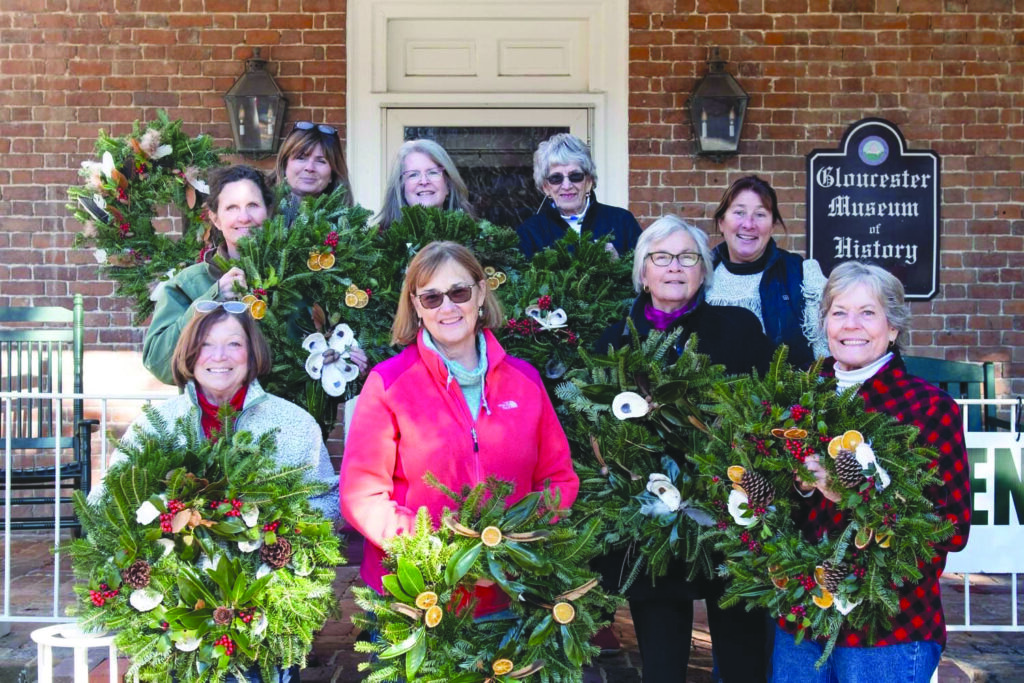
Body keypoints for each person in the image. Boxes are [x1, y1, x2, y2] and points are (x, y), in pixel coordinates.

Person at [339, 241, 578, 615]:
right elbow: (363, 496)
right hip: (414, 594)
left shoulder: (525, 381)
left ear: (481, 292)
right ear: (416, 306)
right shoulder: (388, 383)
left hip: (510, 591)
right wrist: (438, 553)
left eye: (459, 292)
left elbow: (557, 479)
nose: (447, 307)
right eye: (431, 298)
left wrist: (518, 544)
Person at [594, 216, 773, 683]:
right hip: (651, 520)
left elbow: (764, 410)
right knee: (662, 664)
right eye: (661, 257)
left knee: (743, 660)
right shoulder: (614, 342)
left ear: (703, 270)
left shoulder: (738, 329)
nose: (675, 268)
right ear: (643, 271)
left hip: (729, 515)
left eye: (688, 257)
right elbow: (594, 429)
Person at [774, 261, 971, 683]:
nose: (851, 325)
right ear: (824, 323)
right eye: (839, 312)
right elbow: (769, 510)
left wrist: (847, 492)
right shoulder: (796, 403)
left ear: (894, 327)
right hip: (803, 615)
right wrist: (798, 486)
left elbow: (951, 528)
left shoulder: (929, 409)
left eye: (868, 312)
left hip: (888, 626)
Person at [143, 165, 273, 385]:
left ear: (268, 211)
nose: (244, 217)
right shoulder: (187, 284)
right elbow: (159, 364)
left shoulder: (292, 276)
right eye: (231, 207)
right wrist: (212, 298)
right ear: (216, 219)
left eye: (253, 205)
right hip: (208, 417)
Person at [704, 174, 828, 368]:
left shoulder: (801, 276)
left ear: (772, 225)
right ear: (721, 221)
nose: (749, 224)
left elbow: (826, 359)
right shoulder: (700, 277)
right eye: (739, 212)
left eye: (760, 215)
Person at [516, 133, 641, 260]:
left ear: (589, 182)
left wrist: (617, 265)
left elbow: (644, 275)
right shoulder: (529, 232)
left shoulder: (622, 221)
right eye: (556, 178)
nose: (566, 185)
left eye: (575, 176)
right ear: (546, 188)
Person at [373, 139, 476, 231]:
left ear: (448, 183)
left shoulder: (475, 237)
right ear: (401, 187)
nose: (424, 181)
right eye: (413, 174)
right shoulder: (378, 242)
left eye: (433, 172)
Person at [274, 121, 354, 223]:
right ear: (284, 164)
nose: (310, 168)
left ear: (332, 173)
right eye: (301, 158)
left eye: (321, 161)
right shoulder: (261, 215)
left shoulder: (350, 230)